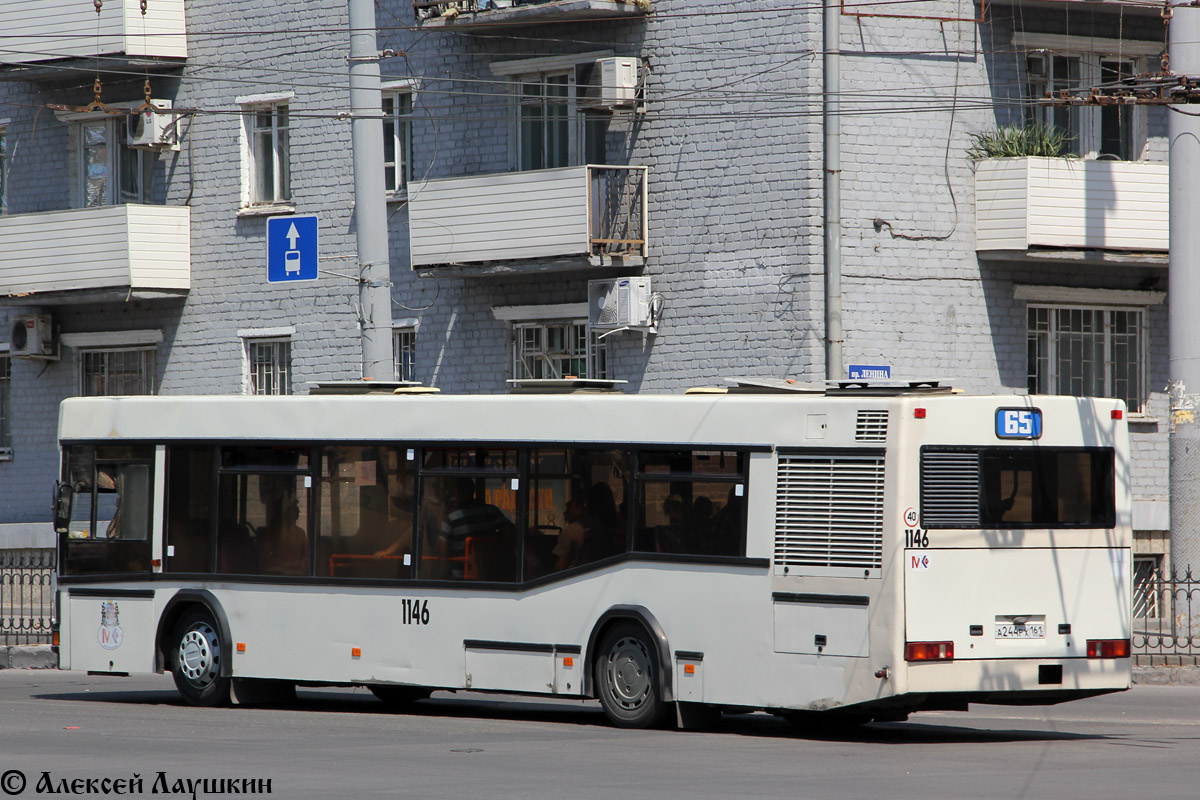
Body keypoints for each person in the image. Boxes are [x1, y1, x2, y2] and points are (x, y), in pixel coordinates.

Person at [552, 493, 588, 572]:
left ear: (581, 509)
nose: (565, 513)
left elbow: (561, 566)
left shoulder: (570, 530)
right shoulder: (595, 526)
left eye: (569, 509)